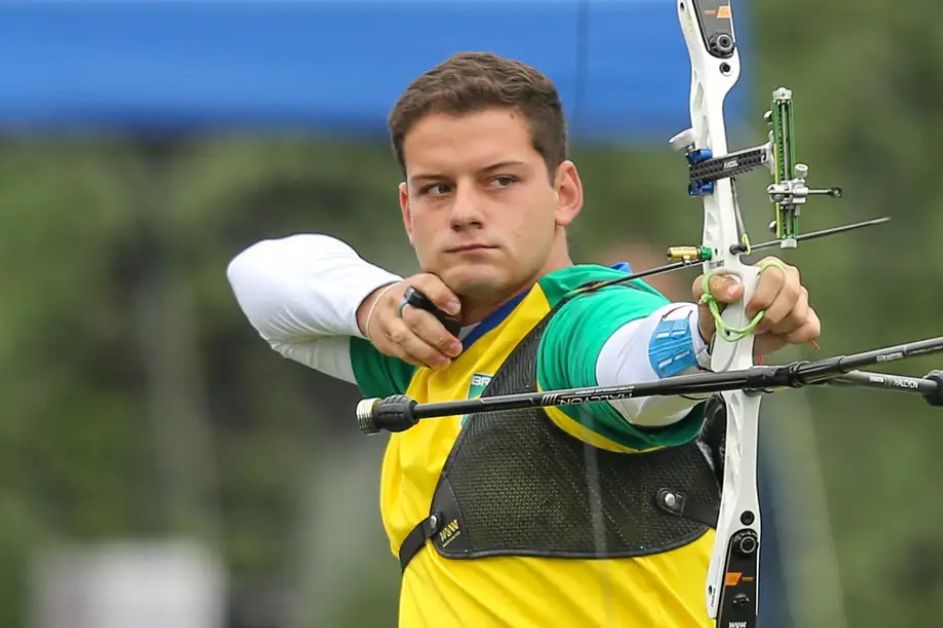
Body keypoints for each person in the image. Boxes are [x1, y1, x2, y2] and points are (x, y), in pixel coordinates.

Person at [227, 51, 820, 627]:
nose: (464, 211)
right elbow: (258, 278)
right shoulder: (423, 348)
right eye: (437, 188)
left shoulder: (580, 321)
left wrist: (709, 332)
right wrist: (371, 303)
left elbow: (629, 360)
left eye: (500, 181)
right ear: (408, 210)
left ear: (565, 193)